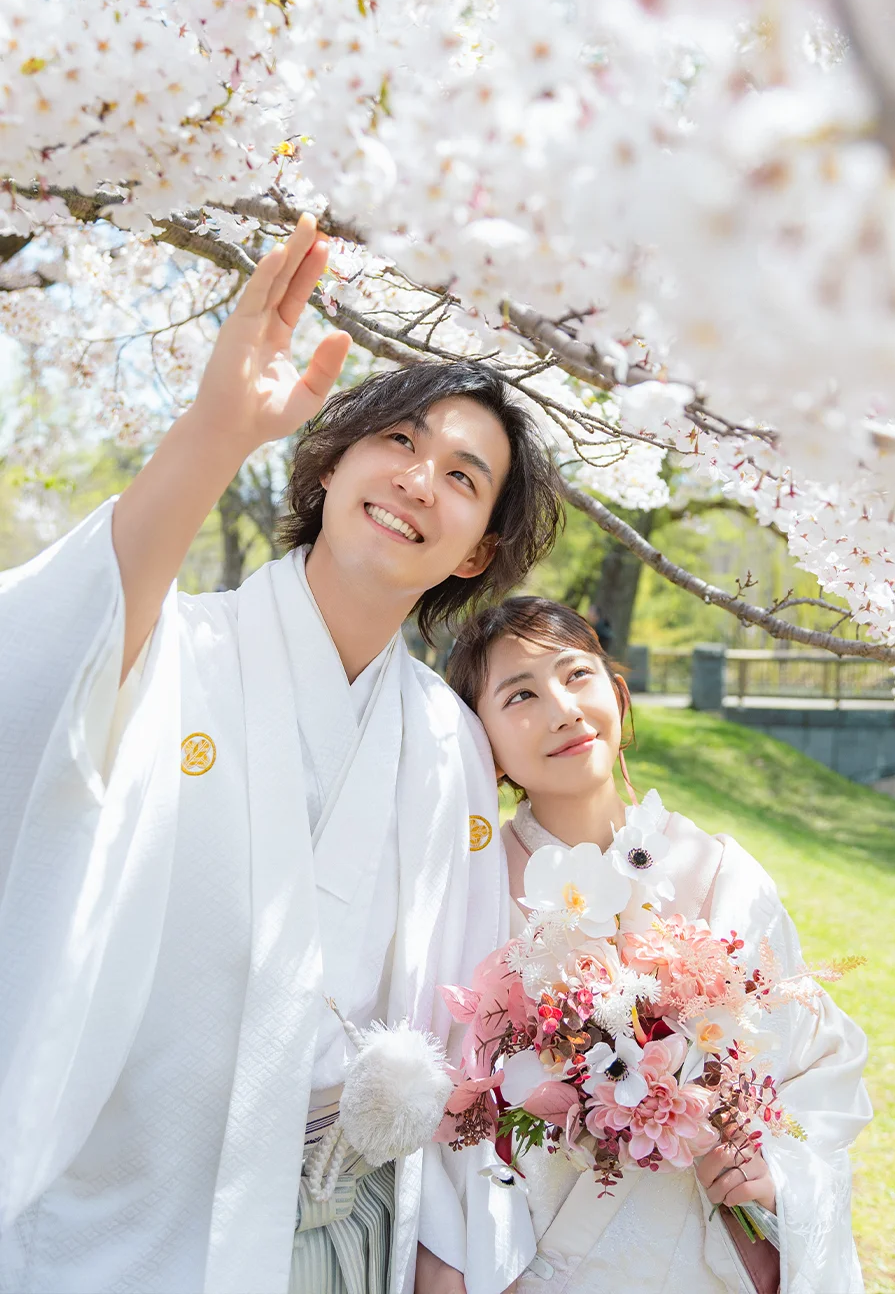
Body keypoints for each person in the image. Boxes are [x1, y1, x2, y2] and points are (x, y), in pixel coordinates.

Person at [0, 216, 564, 1294]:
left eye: (461, 474)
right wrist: (217, 431)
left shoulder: (444, 736)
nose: (415, 480)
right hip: (117, 1212)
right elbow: (50, 658)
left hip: (336, 1228)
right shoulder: (173, 644)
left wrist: (456, 1249)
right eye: (397, 442)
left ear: (480, 544)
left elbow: (467, 1002)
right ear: (330, 460)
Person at [447, 597, 872, 1294]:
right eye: (520, 694)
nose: (562, 709)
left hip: (709, 1260)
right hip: (547, 1259)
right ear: (483, 746)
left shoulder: (724, 872)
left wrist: (773, 1169)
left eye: (576, 674)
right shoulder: (477, 888)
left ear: (617, 693)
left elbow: (819, 1062)